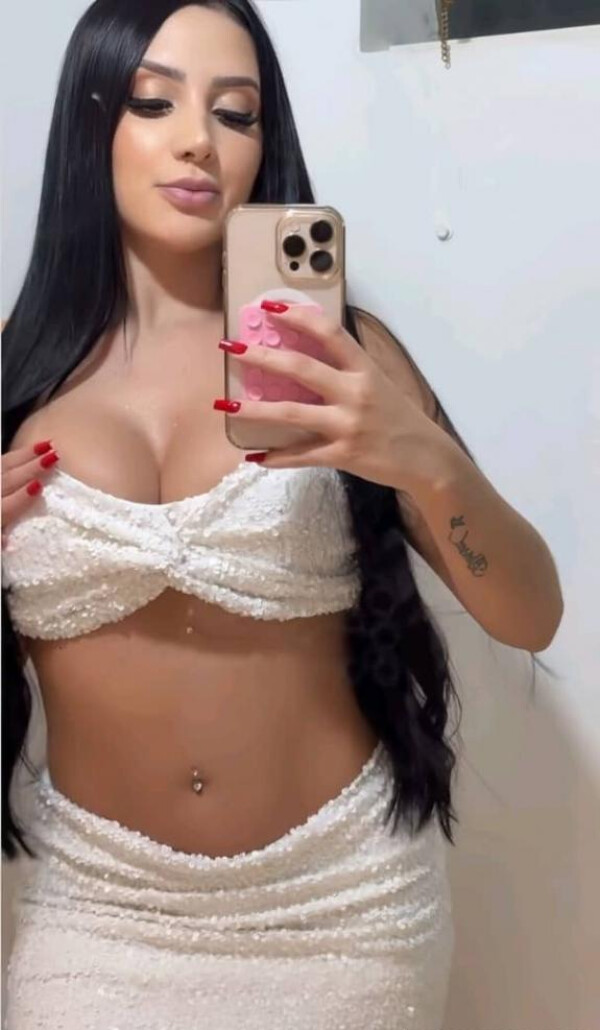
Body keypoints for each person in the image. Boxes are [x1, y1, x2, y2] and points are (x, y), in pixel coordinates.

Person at [0, 2, 563, 1028]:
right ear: (91, 120)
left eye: (236, 113)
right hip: (98, 910)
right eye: (154, 103)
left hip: (344, 907)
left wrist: (424, 460)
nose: (198, 142)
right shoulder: (13, 379)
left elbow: (532, 615)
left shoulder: (339, 358)